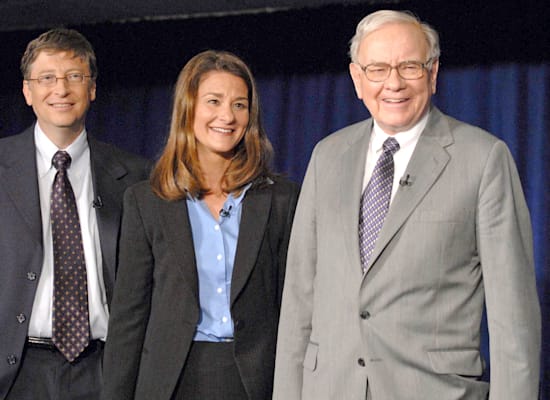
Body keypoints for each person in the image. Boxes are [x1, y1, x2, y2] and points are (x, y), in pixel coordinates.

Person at [273, 9, 540, 400]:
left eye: (409, 66)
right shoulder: (327, 156)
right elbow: (299, 298)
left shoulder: (483, 159)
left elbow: (513, 321)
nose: (393, 83)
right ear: (357, 79)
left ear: (432, 74)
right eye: (378, 69)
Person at [101, 50, 299, 400]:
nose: (227, 115)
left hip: (255, 380)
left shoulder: (281, 199)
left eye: (240, 105)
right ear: (188, 107)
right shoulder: (146, 200)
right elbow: (129, 318)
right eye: (214, 101)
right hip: (171, 380)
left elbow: (294, 307)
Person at [0, 28, 149, 400]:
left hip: (104, 371)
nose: (61, 89)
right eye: (46, 78)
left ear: (92, 88)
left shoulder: (136, 177)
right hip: (16, 372)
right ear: (27, 91)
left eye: (74, 77)